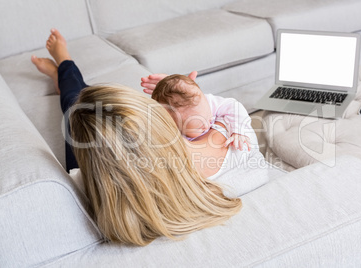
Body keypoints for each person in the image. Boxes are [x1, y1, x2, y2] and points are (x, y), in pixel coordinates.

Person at [31, 28, 242, 246]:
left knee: (76, 105)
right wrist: (194, 102)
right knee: (86, 104)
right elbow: (227, 116)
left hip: (99, 154)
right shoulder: (195, 169)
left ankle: (64, 66)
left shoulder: (82, 181)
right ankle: (63, 71)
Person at [143, 74, 252, 151]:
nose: (207, 125)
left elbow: (234, 106)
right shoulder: (172, 132)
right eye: (199, 126)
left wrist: (237, 131)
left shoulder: (207, 102)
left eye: (209, 118)